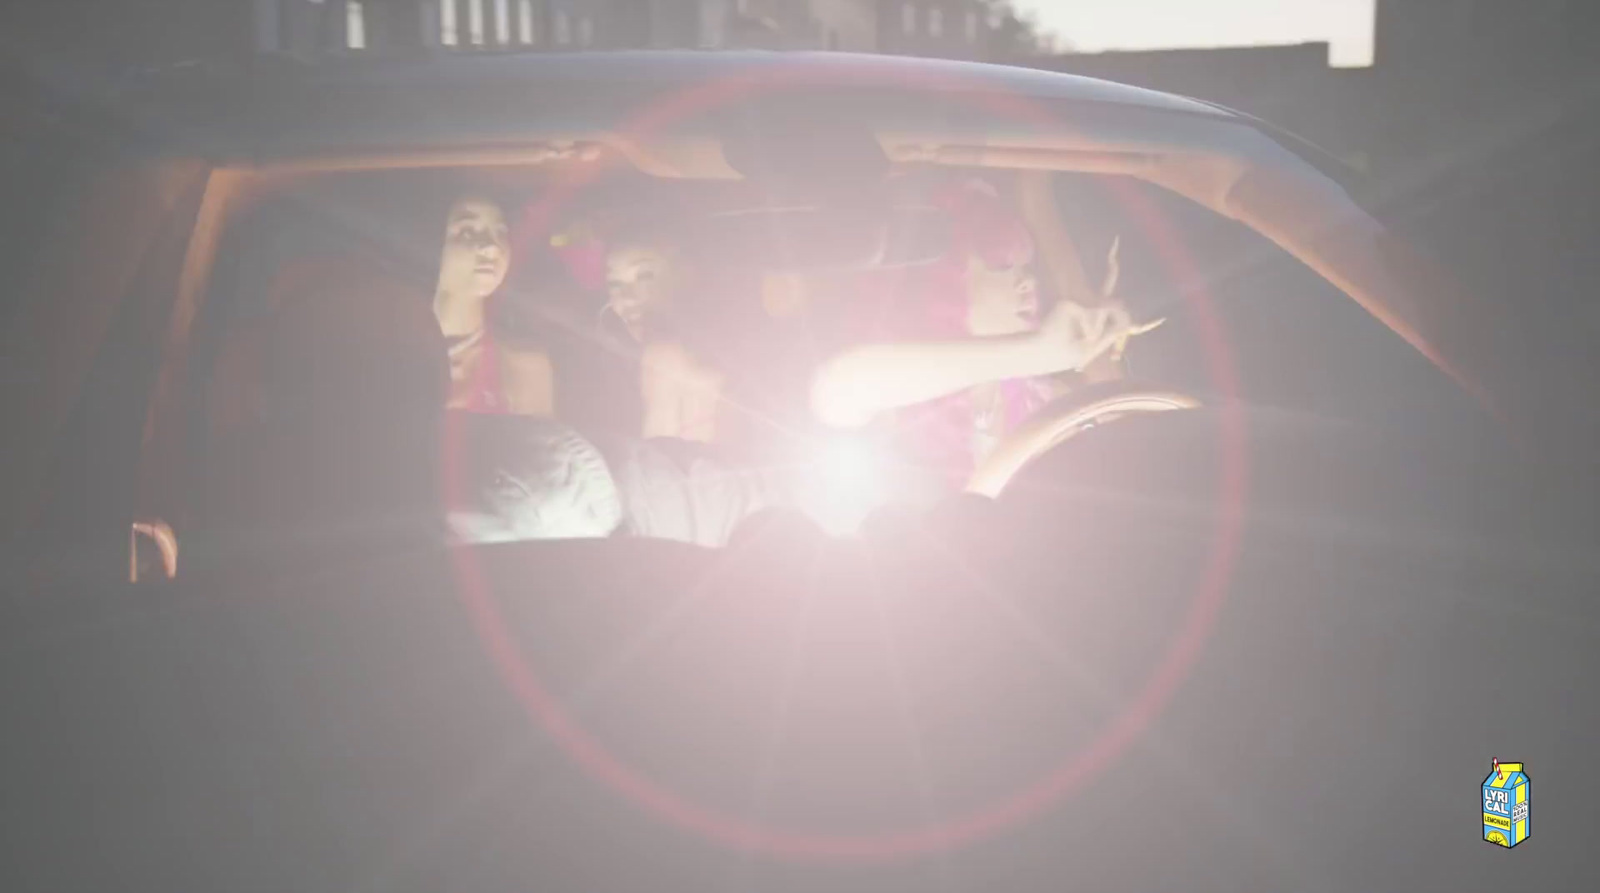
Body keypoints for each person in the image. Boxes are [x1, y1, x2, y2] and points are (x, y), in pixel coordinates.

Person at [807, 177, 1160, 489]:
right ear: (944, 281)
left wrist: (1091, 335)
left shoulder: (1046, 400)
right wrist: (1034, 353)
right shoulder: (898, 400)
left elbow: (1131, 459)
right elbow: (838, 387)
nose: (1028, 283)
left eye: (1026, 268)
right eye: (1003, 266)